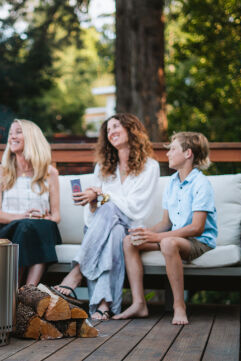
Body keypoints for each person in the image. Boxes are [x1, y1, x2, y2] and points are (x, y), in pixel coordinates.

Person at [55, 113, 160, 320]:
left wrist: (103, 195)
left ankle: (77, 272)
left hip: (132, 226)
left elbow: (136, 207)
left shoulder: (150, 167)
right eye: (108, 130)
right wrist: (94, 202)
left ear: (131, 130)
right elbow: (94, 215)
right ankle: (104, 304)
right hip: (106, 228)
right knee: (115, 232)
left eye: (116, 127)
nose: (111, 132)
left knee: (116, 221)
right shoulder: (103, 169)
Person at [113, 131, 217, 325]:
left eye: (173, 149)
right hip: (176, 238)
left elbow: (197, 228)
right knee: (130, 241)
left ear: (188, 153)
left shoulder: (201, 183)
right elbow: (165, 223)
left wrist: (157, 238)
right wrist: (146, 234)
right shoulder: (172, 183)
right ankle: (139, 304)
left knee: (168, 243)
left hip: (198, 242)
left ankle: (179, 306)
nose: (168, 153)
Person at [0, 119, 61, 286]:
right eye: (10, 133)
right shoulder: (0, 171)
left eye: (18, 132)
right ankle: (25, 291)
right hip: (9, 231)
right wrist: (21, 216)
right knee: (25, 226)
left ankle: (25, 292)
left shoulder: (50, 173)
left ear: (31, 137)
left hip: (40, 230)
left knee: (40, 226)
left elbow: (56, 216)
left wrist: (42, 218)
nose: (12, 137)